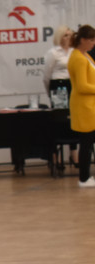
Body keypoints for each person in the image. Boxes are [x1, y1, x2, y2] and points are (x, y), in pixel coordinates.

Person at [44, 25, 77, 171]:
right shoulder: (53, 52)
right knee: (59, 121)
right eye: (65, 35)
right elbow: (46, 76)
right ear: (59, 37)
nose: (69, 38)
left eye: (70, 35)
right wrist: (50, 92)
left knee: (74, 119)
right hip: (58, 87)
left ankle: (73, 154)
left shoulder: (74, 52)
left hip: (72, 86)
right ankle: (54, 157)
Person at [68, 25, 95, 188]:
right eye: (91, 40)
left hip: (91, 106)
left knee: (88, 142)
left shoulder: (86, 56)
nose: (93, 43)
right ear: (83, 40)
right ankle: (84, 178)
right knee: (86, 142)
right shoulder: (77, 58)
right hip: (85, 107)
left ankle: (85, 177)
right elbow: (81, 86)